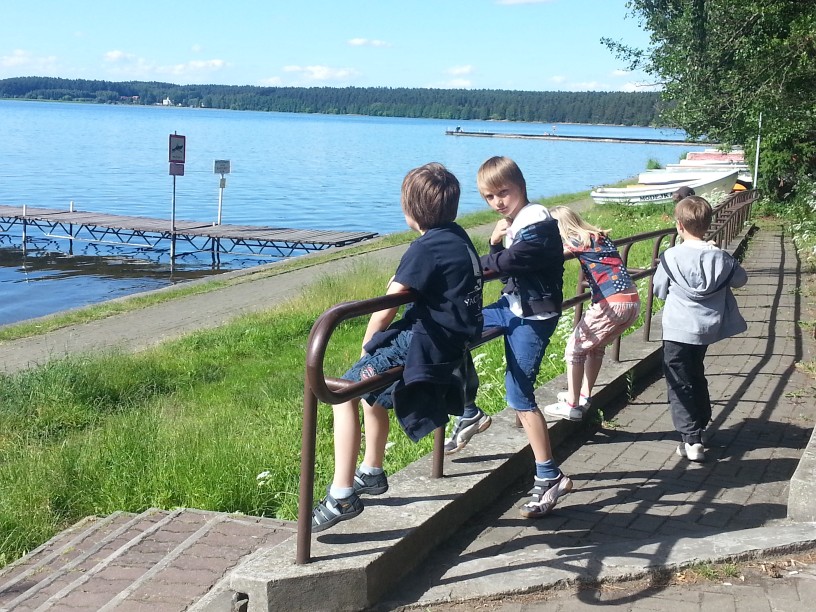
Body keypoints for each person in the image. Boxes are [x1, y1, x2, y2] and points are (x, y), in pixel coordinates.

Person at [311, 162, 484, 532]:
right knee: (371, 394)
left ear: (410, 210)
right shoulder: (457, 237)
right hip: (452, 339)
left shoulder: (425, 248)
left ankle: (341, 493)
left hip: (426, 341)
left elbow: (387, 308)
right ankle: (371, 470)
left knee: (344, 391)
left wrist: (367, 347)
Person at [444, 156, 572, 519]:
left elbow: (511, 262)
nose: (498, 202)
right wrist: (495, 242)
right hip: (511, 305)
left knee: (519, 396)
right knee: (452, 330)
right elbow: (507, 269)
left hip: (534, 317)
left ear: (521, 187)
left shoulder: (538, 222)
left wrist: (468, 264)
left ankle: (550, 476)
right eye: (489, 197)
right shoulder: (517, 222)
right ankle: (469, 411)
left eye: (504, 192)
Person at [653, 195, 747, 462]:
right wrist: (717, 254)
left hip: (677, 329)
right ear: (707, 225)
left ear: (679, 225)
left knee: (678, 381)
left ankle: (691, 439)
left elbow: (659, 289)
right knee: (695, 373)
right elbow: (740, 279)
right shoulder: (721, 257)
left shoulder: (670, 256)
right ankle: (701, 422)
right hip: (705, 330)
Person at [542, 206, 641, 421]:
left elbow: (551, 256)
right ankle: (584, 395)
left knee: (574, 349)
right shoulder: (598, 236)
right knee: (595, 347)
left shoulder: (575, 241)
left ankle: (572, 405)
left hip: (611, 304)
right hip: (632, 301)